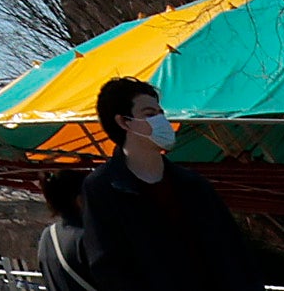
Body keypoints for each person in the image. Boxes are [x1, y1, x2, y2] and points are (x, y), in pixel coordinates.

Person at [62, 74, 267, 291]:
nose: (161, 121)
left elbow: (234, 253)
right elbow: (108, 267)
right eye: (149, 114)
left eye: (161, 113)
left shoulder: (194, 184)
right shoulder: (102, 188)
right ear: (124, 122)